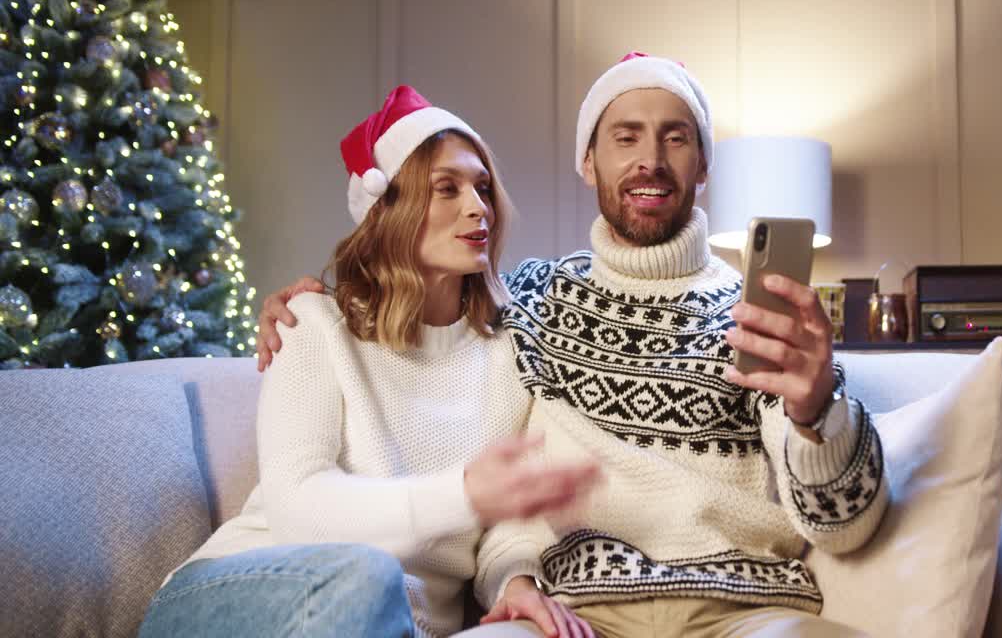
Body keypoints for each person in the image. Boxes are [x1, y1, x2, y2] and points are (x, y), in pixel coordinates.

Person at [259, 54, 888, 637]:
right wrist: (310, 303)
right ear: (588, 162)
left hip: (741, 609)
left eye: (676, 136)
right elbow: (503, 496)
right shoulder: (530, 303)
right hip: (575, 612)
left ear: (703, 166)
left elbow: (845, 526)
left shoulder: (758, 315)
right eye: (625, 137)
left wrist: (816, 411)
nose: (652, 159)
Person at [139, 86, 598, 638]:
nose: (478, 207)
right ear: (389, 209)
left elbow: (503, 523)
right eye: (445, 190)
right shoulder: (312, 324)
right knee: (367, 575)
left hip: (391, 623)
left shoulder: (509, 353)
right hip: (230, 596)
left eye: (482, 187)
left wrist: (514, 583)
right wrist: (466, 493)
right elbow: (298, 510)